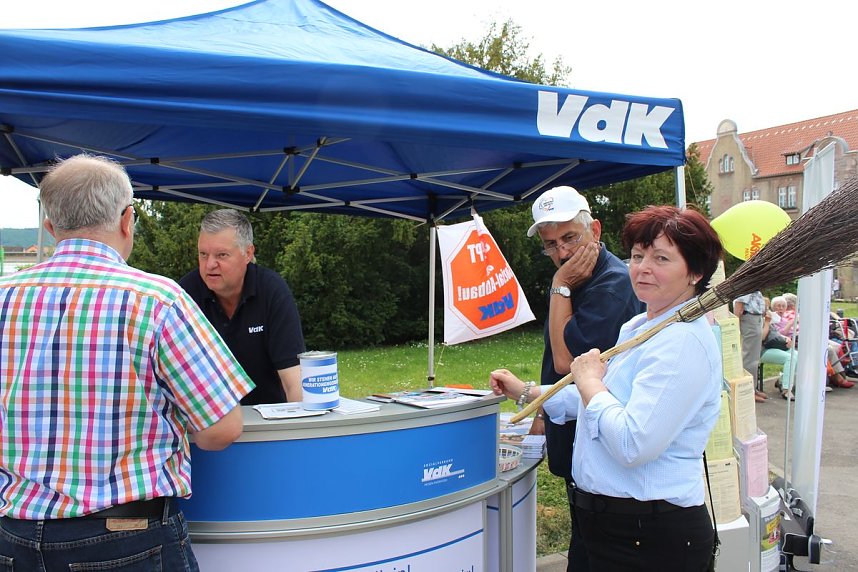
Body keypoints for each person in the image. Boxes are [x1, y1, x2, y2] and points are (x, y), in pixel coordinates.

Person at [0, 154, 253, 570]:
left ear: (49, 226)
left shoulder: (6, 297)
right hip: (128, 538)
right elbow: (221, 430)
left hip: (15, 537)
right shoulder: (157, 300)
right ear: (127, 220)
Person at [492, 205, 722, 571]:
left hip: (649, 536)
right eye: (637, 255)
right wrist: (528, 393)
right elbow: (599, 396)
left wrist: (590, 381)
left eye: (661, 258)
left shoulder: (682, 343)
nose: (643, 267)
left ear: (695, 271)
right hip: (610, 525)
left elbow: (633, 442)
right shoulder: (639, 326)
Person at [524, 185, 642, 570]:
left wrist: (559, 285)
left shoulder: (610, 282)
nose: (561, 253)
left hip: (597, 443)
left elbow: (564, 362)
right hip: (573, 430)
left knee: (594, 549)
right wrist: (541, 412)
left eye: (570, 238)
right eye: (550, 244)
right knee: (584, 540)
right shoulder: (577, 279)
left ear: (595, 228)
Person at [180, 209, 306, 405]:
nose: (210, 264)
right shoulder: (185, 295)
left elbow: (294, 379)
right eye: (203, 254)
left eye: (221, 255)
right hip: (208, 425)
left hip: (269, 420)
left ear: (248, 253)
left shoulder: (272, 291)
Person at [733, 290, 767, 402]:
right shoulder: (748, 283)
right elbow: (739, 303)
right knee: (749, 358)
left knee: (754, 357)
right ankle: (748, 391)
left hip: (756, 319)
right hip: (750, 319)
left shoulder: (755, 286)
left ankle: (753, 388)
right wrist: (736, 325)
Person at [761, 296, 797, 400]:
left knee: (797, 355)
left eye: (767, 307)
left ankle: (782, 381)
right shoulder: (759, 320)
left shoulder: (772, 318)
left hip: (772, 347)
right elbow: (762, 337)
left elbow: (776, 334)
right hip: (761, 350)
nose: (767, 310)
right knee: (790, 358)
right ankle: (786, 389)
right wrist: (767, 322)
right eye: (765, 307)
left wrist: (785, 339)